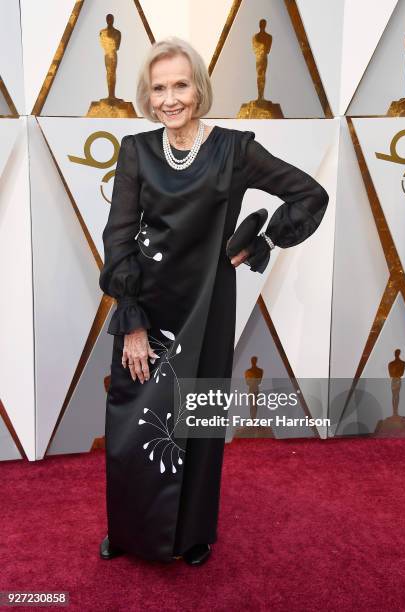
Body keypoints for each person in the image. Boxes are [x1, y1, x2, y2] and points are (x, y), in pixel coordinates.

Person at [98, 36, 329, 567]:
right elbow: (118, 239)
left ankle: (193, 533)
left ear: (198, 88)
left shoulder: (236, 149)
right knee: (135, 421)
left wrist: (263, 240)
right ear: (147, 95)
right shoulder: (136, 151)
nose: (170, 98)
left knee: (196, 420)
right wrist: (131, 321)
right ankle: (131, 532)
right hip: (148, 308)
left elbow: (308, 194)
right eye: (159, 88)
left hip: (207, 304)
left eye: (180, 84)